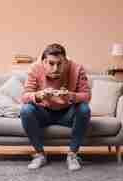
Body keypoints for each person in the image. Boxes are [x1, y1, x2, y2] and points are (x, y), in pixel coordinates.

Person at [20, 43, 91, 171]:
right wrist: (39, 95)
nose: (55, 68)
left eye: (60, 64)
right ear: (43, 62)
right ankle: (40, 154)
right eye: (51, 64)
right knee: (26, 110)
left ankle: (72, 155)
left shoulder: (77, 68)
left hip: (68, 113)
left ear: (65, 61)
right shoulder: (35, 68)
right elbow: (24, 97)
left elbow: (86, 96)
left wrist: (71, 96)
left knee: (84, 108)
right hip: (44, 112)